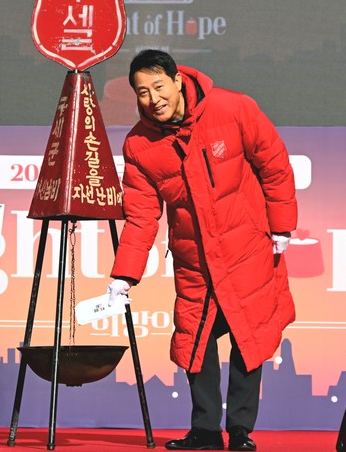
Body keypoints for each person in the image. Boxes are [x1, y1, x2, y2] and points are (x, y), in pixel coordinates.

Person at [107, 50, 297, 451]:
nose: (153, 98)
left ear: (177, 80)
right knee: (195, 338)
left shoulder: (233, 108)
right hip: (194, 259)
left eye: (159, 86)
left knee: (249, 335)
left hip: (246, 245)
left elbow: (274, 164)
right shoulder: (139, 145)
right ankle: (206, 431)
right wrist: (124, 273)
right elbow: (141, 216)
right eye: (142, 92)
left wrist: (281, 224)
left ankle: (241, 431)